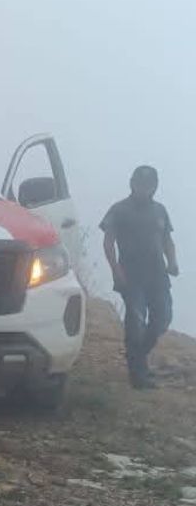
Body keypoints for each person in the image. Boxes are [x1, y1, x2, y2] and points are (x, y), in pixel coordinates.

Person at [100, 165, 180, 389]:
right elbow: (108, 243)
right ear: (131, 183)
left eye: (148, 185)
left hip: (158, 275)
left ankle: (137, 356)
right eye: (139, 183)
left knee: (163, 319)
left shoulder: (160, 211)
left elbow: (167, 241)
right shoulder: (118, 210)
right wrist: (116, 271)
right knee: (135, 322)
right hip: (131, 276)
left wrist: (172, 261)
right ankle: (138, 375)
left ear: (154, 187)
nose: (143, 188)